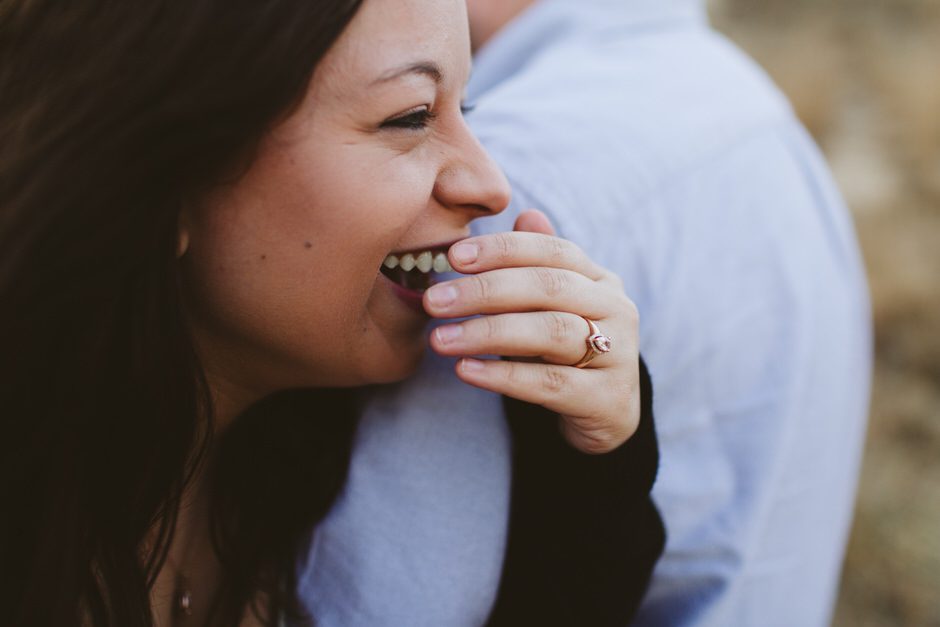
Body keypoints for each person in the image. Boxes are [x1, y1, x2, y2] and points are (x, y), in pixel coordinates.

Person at [0, 0, 663, 626]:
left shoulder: (321, 466)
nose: (490, 183)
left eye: (469, 106)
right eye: (410, 117)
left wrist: (594, 467)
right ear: (167, 173)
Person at [300, 0, 872, 625]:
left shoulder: (521, 184)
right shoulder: (752, 110)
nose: (481, 178)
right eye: (415, 117)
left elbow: (384, 599)